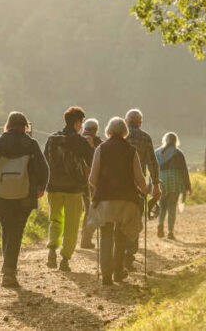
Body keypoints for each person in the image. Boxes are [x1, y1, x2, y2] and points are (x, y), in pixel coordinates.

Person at [0, 111, 49, 288]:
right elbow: (44, 169)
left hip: (0, 194)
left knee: (7, 229)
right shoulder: (31, 143)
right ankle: (9, 271)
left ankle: (8, 268)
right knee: (17, 231)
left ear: (8, 125)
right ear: (25, 126)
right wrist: (41, 187)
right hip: (25, 196)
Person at [87, 117, 150, 286]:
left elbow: (92, 179)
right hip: (126, 199)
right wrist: (145, 191)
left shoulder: (101, 149)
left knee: (106, 235)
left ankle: (106, 275)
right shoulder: (131, 150)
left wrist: (102, 187)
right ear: (124, 132)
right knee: (121, 236)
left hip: (105, 199)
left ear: (108, 130)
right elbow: (139, 179)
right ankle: (118, 272)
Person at [44, 106, 95, 272]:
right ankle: (65, 260)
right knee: (72, 224)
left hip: (53, 186)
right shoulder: (79, 141)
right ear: (77, 123)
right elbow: (92, 159)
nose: (81, 126)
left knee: (55, 219)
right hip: (74, 188)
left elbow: (45, 160)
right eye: (81, 123)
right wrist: (91, 146)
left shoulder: (52, 138)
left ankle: (52, 249)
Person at [124, 109, 162, 272]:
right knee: (135, 221)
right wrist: (155, 185)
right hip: (138, 187)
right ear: (140, 123)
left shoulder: (119, 136)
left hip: (118, 184)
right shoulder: (145, 138)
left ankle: (117, 252)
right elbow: (153, 163)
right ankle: (129, 256)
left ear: (126, 121)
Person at [155, 132, 192, 240]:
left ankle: (160, 225)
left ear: (164, 140)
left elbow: (153, 169)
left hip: (161, 181)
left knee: (162, 206)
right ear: (176, 141)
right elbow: (184, 170)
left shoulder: (157, 153)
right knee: (172, 207)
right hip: (175, 182)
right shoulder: (178, 153)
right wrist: (188, 186)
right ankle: (170, 232)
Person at [80, 118, 103, 249]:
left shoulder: (76, 140)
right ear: (96, 129)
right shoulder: (100, 142)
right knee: (92, 208)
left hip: (78, 180)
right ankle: (86, 238)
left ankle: (82, 237)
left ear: (84, 128)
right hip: (95, 181)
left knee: (84, 208)